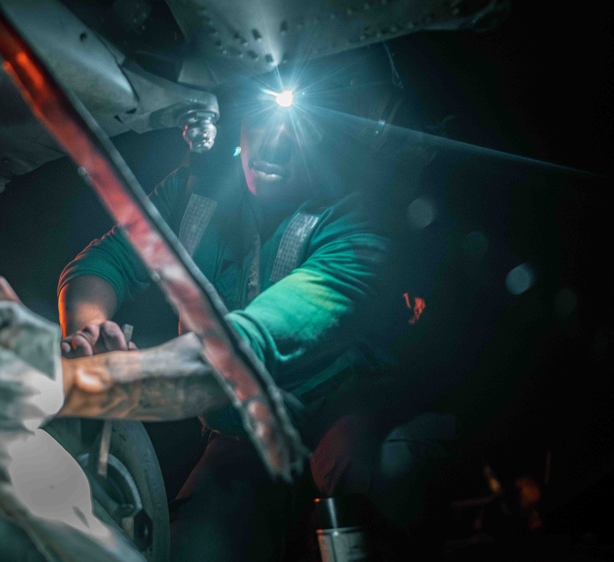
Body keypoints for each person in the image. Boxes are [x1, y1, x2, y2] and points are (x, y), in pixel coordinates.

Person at [52, 45, 456, 561]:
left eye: (299, 128)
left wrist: (107, 381)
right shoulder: (193, 192)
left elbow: (247, 346)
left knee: (389, 475)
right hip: (243, 432)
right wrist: (88, 334)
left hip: (342, 407)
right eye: (262, 118)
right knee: (196, 545)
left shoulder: (357, 227)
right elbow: (100, 264)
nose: (274, 144)